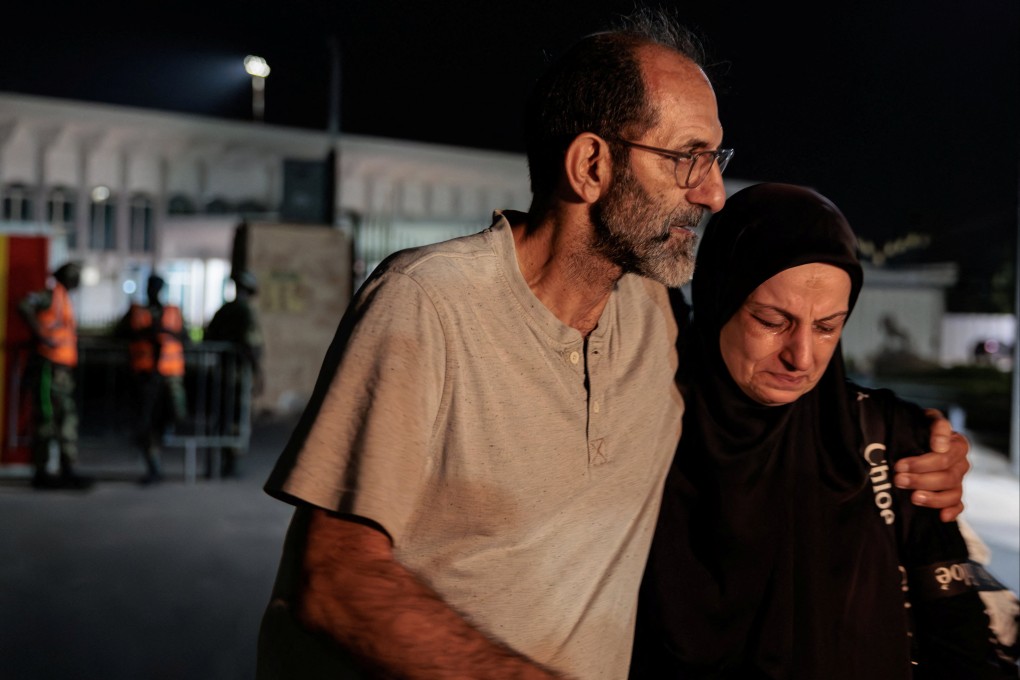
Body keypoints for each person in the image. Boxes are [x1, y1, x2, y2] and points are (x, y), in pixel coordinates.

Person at [257, 10, 969, 679]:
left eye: (716, 158)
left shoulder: (652, 315)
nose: (715, 193)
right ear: (591, 166)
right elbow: (335, 578)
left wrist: (911, 439)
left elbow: (761, 387)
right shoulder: (430, 302)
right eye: (688, 159)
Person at [629, 183, 1016, 679]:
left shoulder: (892, 439)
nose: (802, 357)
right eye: (771, 321)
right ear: (718, 297)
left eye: (828, 326)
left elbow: (961, 641)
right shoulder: (636, 429)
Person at [17, 261, 93, 490]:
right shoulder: (50, 295)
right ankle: (41, 473)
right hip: (48, 367)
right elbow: (24, 305)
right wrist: (41, 336)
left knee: (66, 419)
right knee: (47, 420)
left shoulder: (63, 299)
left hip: (61, 370)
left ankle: (66, 469)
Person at [113, 273, 188, 485]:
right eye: (150, 286)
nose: (153, 290)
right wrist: (145, 333)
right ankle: (153, 464)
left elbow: (186, 338)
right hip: (144, 377)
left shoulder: (172, 312)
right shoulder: (137, 313)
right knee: (145, 422)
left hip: (169, 377)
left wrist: (164, 333)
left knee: (174, 414)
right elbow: (119, 334)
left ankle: (163, 437)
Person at [204, 270, 264, 478]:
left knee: (222, 415)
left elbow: (208, 335)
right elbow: (251, 345)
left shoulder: (224, 309)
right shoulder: (244, 311)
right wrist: (258, 373)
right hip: (238, 374)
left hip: (222, 372)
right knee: (237, 416)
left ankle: (218, 461)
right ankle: (232, 461)